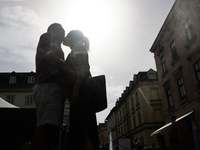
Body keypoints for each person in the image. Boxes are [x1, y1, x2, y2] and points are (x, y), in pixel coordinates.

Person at [31, 23, 75, 150]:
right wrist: (67, 68)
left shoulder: (58, 45)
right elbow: (47, 54)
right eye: (61, 30)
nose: (63, 33)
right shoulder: (47, 36)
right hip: (48, 87)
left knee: (50, 129)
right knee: (45, 128)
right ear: (53, 30)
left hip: (53, 89)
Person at [63, 30, 99, 150]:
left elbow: (81, 70)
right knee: (83, 125)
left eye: (66, 36)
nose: (64, 38)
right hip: (81, 91)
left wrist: (76, 90)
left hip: (82, 92)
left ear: (72, 37)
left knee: (83, 126)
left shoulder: (78, 45)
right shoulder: (76, 47)